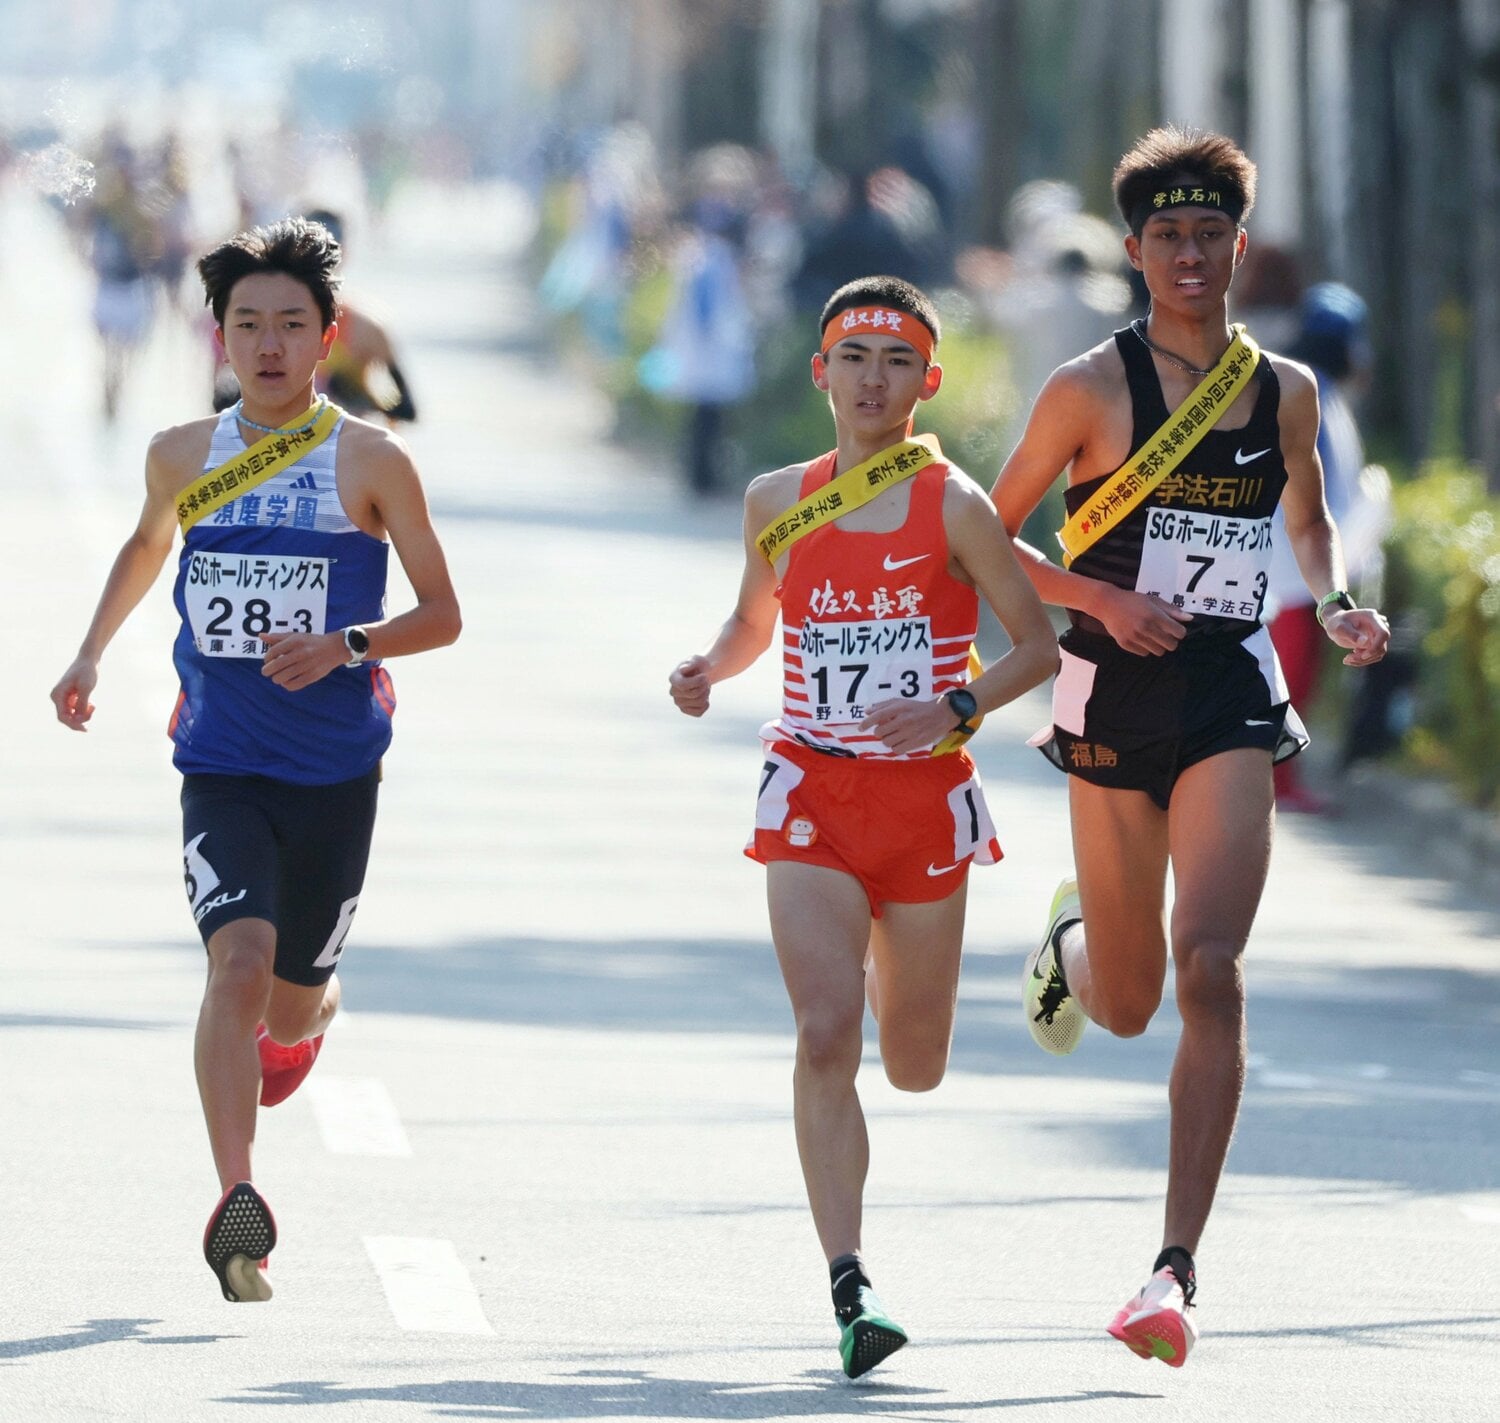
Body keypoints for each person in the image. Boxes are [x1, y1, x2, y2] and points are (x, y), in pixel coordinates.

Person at [989, 127, 1389, 1366]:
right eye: (1168, 234)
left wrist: (1332, 605)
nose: (1191, 253)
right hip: (1108, 694)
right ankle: (1072, 940)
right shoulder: (1086, 388)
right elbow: (984, 538)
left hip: (1225, 688)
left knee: (1210, 968)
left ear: (1239, 246)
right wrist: (1099, 601)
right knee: (1124, 1006)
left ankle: (1172, 1271)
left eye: (1211, 233)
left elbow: (1311, 531)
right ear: (1135, 249)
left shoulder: (1286, 391)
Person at [50, 217, 461, 1304]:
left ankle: (309, 1020)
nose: (269, 346)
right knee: (234, 967)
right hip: (220, 762)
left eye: (291, 325)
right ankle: (238, 1200)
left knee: (287, 1005)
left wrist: (346, 642)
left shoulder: (371, 461)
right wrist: (91, 651)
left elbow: (446, 610)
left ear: (329, 338)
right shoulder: (184, 453)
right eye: (248, 325)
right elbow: (147, 545)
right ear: (218, 337)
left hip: (335, 775)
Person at [669, 276, 1056, 1378]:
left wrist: (960, 704)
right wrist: (710, 665)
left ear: (926, 382)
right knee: (826, 1031)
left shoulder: (954, 504)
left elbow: (1036, 645)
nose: (872, 379)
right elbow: (756, 619)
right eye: (854, 358)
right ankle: (852, 1282)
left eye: (896, 362)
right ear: (822, 373)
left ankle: (1052, 951)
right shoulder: (774, 499)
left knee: (917, 1063)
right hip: (809, 790)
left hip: (923, 800)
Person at [1265, 282, 1390, 812]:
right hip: (1292, 569)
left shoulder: (1315, 389)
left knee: (1291, 678)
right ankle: (1276, 783)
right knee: (1287, 681)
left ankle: (1280, 780)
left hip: (1295, 567)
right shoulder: (1311, 390)